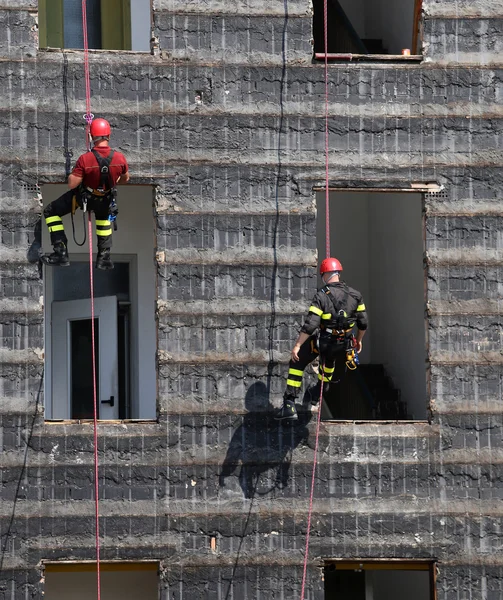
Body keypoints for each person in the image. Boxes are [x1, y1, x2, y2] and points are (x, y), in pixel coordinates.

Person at [276, 257, 368, 420]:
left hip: (324, 342)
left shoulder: (321, 296)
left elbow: (311, 324)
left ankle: (289, 404)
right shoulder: (356, 295)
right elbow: (363, 323)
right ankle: (319, 391)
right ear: (338, 273)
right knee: (329, 363)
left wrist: (297, 345)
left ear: (325, 275)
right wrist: (358, 341)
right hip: (344, 345)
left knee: (298, 362)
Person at [41, 118, 130, 270]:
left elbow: (72, 184)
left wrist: (75, 173)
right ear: (108, 135)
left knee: (51, 211)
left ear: (91, 136)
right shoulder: (119, 158)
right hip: (105, 199)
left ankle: (60, 251)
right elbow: (125, 179)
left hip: (85, 198)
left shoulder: (85, 159)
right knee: (103, 219)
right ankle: (104, 257)